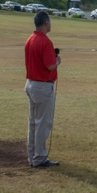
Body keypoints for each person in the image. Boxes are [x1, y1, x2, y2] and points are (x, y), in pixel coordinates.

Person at [25, 10, 61, 168]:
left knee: (33, 122)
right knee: (43, 123)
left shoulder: (30, 39)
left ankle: (32, 155)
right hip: (42, 86)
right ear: (45, 23)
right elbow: (50, 65)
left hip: (31, 84)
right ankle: (39, 157)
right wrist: (58, 60)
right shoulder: (45, 41)